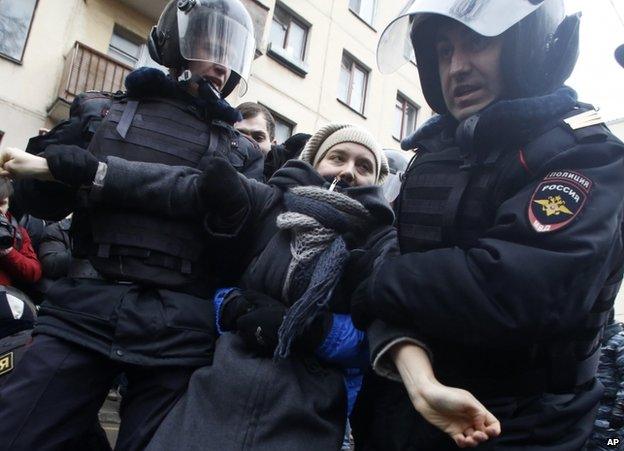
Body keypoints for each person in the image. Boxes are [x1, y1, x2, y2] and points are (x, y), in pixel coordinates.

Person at [0, 123, 501, 449]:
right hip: (210, 402)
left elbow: (384, 318)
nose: (347, 171)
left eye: (363, 165)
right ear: (314, 161)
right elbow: (171, 186)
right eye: (337, 157)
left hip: (306, 418)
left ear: (377, 182)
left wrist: (319, 335)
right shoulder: (267, 205)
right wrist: (68, 168)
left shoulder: (378, 235)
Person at [349, 0, 624, 450]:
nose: (456, 67)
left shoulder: (588, 153)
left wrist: (377, 280)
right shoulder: (434, 154)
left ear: (526, 45)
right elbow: (378, 241)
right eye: (443, 51)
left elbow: (514, 289)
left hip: (518, 426)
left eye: (476, 43)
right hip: (400, 414)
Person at [0, 1, 263, 450]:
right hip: (82, 312)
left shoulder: (243, 153)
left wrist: (232, 212)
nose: (220, 61)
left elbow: (238, 256)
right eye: (209, 42)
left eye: (229, 49)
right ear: (174, 42)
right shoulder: (100, 112)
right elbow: (34, 203)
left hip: (177, 335)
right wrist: (55, 170)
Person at [0, 178, 42, 288]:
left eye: (2, 204)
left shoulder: (17, 232)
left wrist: (7, 251)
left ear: (9, 203)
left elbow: (34, 273)